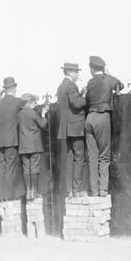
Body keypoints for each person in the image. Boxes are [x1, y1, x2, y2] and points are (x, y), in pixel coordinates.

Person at [85, 55, 124, 197]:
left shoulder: (90, 82)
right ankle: (103, 190)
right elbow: (122, 86)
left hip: (89, 117)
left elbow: (87, 99)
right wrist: (110, 74)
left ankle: (93, 191)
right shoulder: (109, 79)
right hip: (102, 117)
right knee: (104, 157)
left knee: (92, 157)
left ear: (92, 69)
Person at [56, 62, 88, 198]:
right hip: (75, 127)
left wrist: (78, 94)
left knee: (69, 158)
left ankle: (69, 189)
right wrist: (84, 95)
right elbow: (77, 103)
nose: (77, 74)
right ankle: (77, 189)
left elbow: (68, 103)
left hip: (65, 127)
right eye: (76, 72)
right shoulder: (71, 85)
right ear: (69, 72)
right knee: (79, 157)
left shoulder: (61, 86)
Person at [0, 77, 26, 202]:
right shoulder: (18, 102)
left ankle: (2, 195)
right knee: (11, 168)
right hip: (11, 140)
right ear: (14, 88)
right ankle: (9, 195)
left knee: (2, 168)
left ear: (5, 89)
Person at [18, 93, 49, 200]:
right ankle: (34, 191)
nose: (35, 105)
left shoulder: (20, 114)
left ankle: (28, 191)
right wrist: (44, 115)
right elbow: (43, 125)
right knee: (35, 168)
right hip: (35, 145)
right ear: (30, 102)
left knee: (26, 169)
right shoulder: (33, 113)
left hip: (23, 146)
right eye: (34, 103)